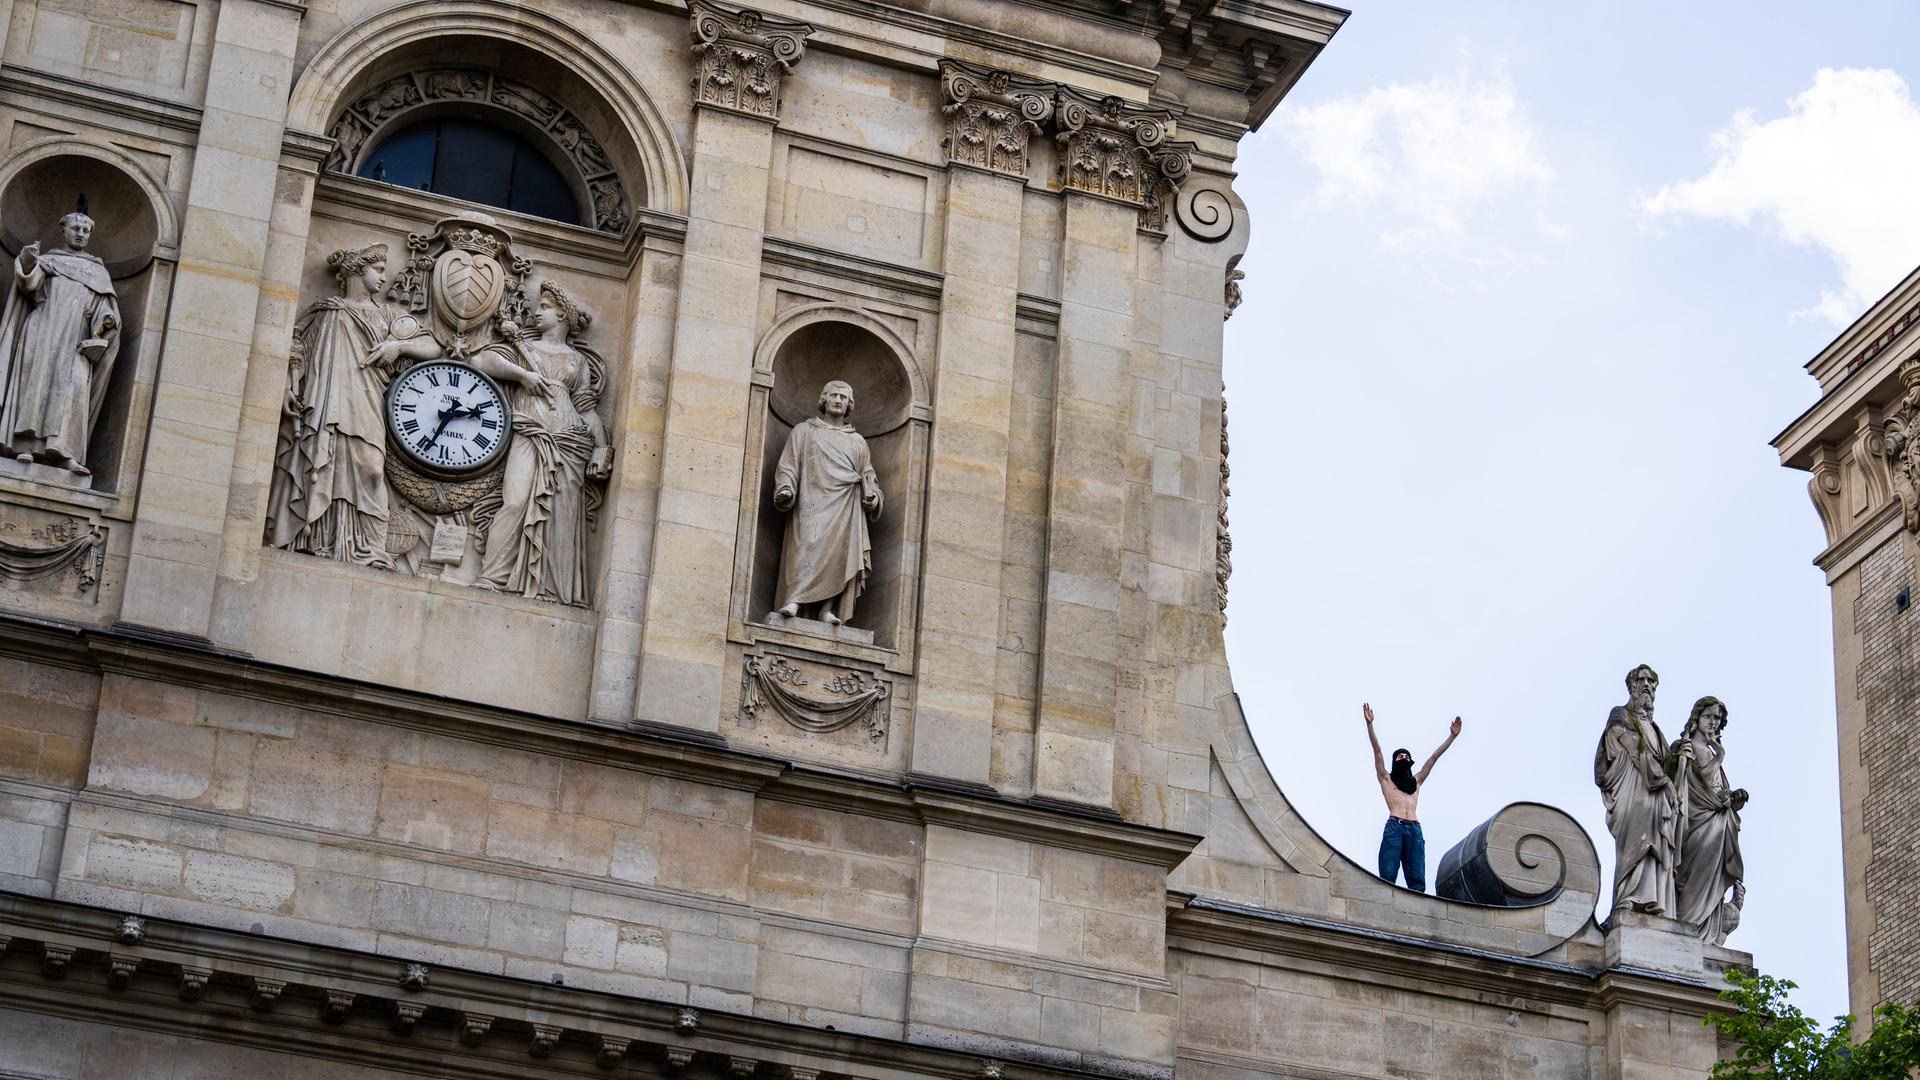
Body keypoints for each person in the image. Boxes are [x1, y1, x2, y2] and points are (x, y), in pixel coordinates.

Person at [466, 281, 610, 605]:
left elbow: (586, 408)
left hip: (569, 439)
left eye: (543, 307)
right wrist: (523, 375)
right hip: (530, 431)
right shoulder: (524, 347)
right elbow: (482, 360)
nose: (536, 312)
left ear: (560, 313)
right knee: (515, 501)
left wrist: (602, 448)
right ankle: (492, 576)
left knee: (562, 512)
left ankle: (554, 589)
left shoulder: (577, 360)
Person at [266, 243, 397, 567]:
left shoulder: (387, 315)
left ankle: (367, 547)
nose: (384, 277)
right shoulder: (325, 312)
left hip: (366, 398)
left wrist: (398, 345)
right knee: (322, 463)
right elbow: (297, 351)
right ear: (357, 271)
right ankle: (320, 539)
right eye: (378, 270)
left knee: (372, 468)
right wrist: (288, 385)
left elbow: (429, 342)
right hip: (326, 400)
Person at [0, 206, 121, 477]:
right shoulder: (49, 260)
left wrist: (107, 323)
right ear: (63, 230)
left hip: (77, 338)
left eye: (85, 230)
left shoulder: (98, 272)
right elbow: (28, 285)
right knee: (35, 385)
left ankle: (66, 453)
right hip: (43, 329)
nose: (80, 234)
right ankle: (25, 446)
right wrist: (28, 260)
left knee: (73, 392)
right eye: (75, 228)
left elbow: (105, 306)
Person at [768, 379, 883, 625]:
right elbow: (789, 464)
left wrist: (873, 496)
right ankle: (795, 598)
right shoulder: (804, 431)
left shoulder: (857, 441)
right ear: (824, 400)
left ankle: (826, 610)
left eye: (843, 397)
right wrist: (786, 487)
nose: (838, 401)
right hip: (811, 502)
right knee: (807, 544)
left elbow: (868, 476)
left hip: (845, 506)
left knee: (838, 555)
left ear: (849, 404)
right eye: (834, 396)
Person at [1594, 663, 1682, 915]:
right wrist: (1661, 779)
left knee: (1656, 844)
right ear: (1631, 686)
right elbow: (1632, 748)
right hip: (1634, 791)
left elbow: (1667, 763)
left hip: (1655, 795)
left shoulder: (1655, 730)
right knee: (1636, 841)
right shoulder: (1620, 715)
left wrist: (1680, 754)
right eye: (1641, 680)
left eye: (1651, 682)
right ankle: (1629, 896)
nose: (1646, 685)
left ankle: (1656, 900)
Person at [1671, 695, 1746, 944]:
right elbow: (1700, 781)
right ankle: (1687, 925)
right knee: (1695, 873)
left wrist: (1734, 797)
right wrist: (1719, 756)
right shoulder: (1686, 748)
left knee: (1713, 879)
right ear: (1697, 718)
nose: (1713, 722)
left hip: (1718, 819)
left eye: (1717, 718)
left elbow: (1718, 790)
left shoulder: (1711, 752)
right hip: (1697, 822)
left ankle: (1707, 934)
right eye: (1708, 717)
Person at [1364, 702, 1462, 892]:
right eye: (1400, 758)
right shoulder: (1386, 779)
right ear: (1394, 762)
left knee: (1417, 881)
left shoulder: (1416, 782)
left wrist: (1452, 736)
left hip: (1415, 830)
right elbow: (1377, 751)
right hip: (1395, 826)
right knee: (1387, 877)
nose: (1404, 760)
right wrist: (1370, 725)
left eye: (1407, 757)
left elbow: (1433, 758)